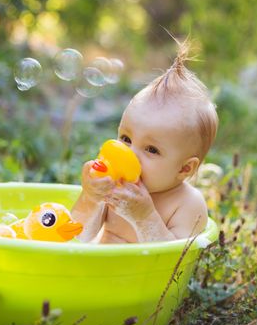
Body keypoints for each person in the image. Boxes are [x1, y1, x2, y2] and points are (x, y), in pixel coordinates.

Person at [72, 39, 218, 243]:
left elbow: (171, 263)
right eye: (125, 138)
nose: (130, 154)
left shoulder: (187, 204)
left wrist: (144, 217)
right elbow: (76, 238)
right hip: (95, 273)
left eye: (151, 149)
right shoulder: (115, 186)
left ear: (184, 169)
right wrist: (91, 197)